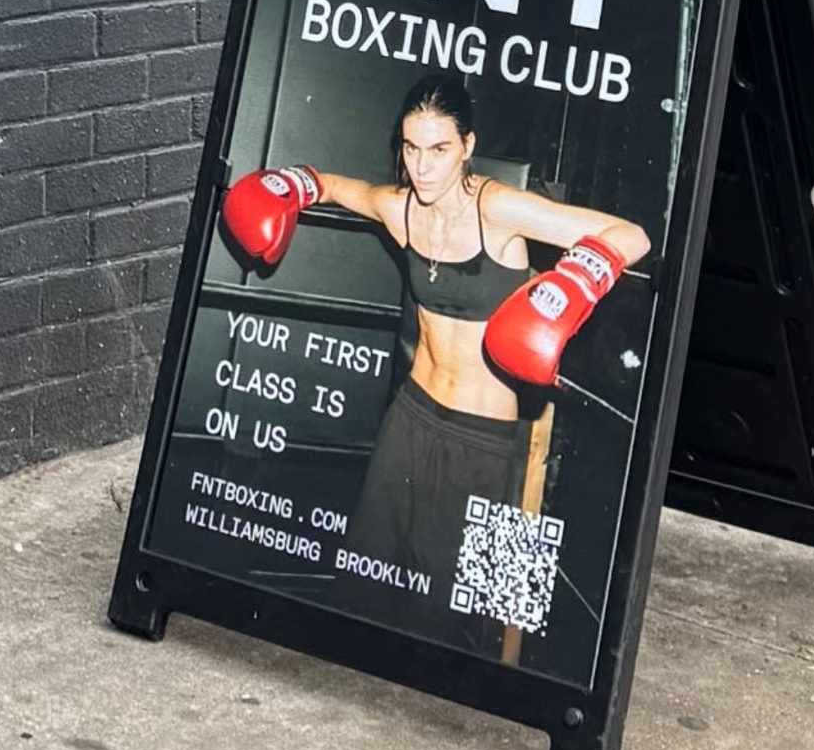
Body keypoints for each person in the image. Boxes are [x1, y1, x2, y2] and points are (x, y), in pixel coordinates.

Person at [219, 82, 651, 590]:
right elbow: (333, 185)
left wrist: (575, 278)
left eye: (439, 149)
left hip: (483, 440)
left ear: (467, 146)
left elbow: (631, 236)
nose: (421, 167)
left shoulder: (498, 208)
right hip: (410, 416)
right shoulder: (400, 208)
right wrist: (295, 182)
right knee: (362, 582)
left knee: (457, 610)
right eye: (411, 148)